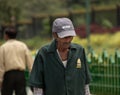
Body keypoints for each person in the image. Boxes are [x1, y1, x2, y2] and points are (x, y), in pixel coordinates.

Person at [29, 17, 91, 95]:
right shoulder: (44, 54)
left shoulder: (79, 51)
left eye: (70, 36)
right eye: (65, 37)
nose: (68, 40)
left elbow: (85, 82)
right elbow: (37, 85)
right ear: (55, 35)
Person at [0, 27, 33, 95]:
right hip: (20, 75)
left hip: (8, 75)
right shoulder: (22, 45)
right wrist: (32, 74)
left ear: (6, 35)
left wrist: (0, 80)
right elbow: (30, 62)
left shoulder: (3, 47)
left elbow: (1, 66)